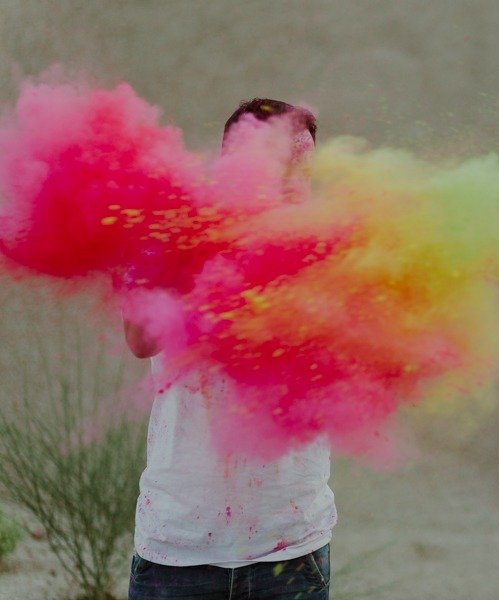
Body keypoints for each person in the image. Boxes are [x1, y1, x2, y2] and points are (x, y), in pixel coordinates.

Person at [125, 99, 335, 600]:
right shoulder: (174, 231)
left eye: (299, 167)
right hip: (179, 541)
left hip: (291, 540)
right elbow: (140, 339)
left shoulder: (325, 246)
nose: (288, 180)